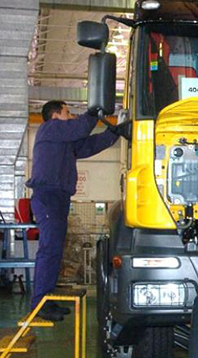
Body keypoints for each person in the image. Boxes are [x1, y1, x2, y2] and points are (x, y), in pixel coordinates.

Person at [26, 101, 124, 321]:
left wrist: (114, 132)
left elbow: (89, 145)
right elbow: (80, 127)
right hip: (48, 197)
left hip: (59, 199)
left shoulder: (64, 141)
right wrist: (93, 112)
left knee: (55, 251)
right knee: (49, 250)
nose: (71, 116)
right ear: (55, 116)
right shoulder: (50, 128)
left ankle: (47, 300)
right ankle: (39, 304)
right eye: (67, 112)